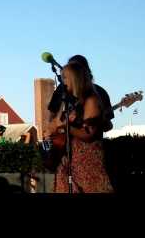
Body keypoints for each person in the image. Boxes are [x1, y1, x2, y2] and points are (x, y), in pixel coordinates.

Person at [51, 62, 113, 193]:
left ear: (75, 79)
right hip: (71, 159)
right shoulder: (72, 101)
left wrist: (66, 126)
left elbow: (88, 134)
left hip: (87, 160)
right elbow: (56, 123)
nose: (63, 81)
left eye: (65, 77)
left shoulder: (91, 100)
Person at [47, 54, 114, 133]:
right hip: (62, 141)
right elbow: (51, 116)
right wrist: (53, 131)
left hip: (85, 143)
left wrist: (96, 122)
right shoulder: (62, 89)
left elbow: (108, 126)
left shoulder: (99, 93)